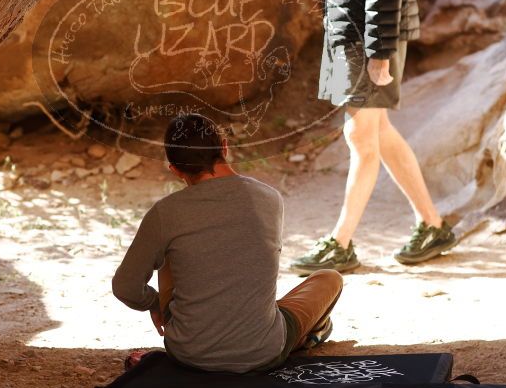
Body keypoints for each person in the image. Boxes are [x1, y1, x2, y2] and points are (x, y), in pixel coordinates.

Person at [292, 0, 456, 275]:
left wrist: (379, 52)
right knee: (377, 132)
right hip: (353, 33)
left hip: (368, 38)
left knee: (361, 136)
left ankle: (341, 243)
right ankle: (433, 225)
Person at [113, 114, 343, 373]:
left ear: (175, 170)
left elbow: (125, 286)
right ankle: (307, 334)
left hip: (189, 353)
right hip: (262, 351)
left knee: (168, 251)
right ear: (224, 146)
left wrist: (154, 304)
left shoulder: (165, 213)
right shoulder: (269, 199)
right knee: (329, 279)